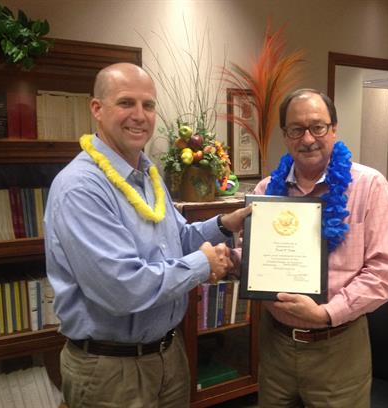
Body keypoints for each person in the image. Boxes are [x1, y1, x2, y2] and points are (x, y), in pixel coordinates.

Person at [44, 62, 250, 408]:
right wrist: (203, 264)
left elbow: (176, 238)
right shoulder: (81, 187)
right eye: (126, 103)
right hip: (112, 370)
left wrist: (223, 225)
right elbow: (123, 288)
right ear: (97, 108)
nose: (139, 115)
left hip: (168, 355)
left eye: (149, 105)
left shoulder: (147, 171)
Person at [252, 88, 388, 407]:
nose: (307, 139)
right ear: (285, 135)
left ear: (333, 129)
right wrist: (229, 258)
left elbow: (384, 273)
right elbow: (254, 256)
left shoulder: (368, 186)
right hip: (275, 343)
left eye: (317, 127)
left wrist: (327, 314)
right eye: (296, 129)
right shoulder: (267, 190)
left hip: (338, 348)